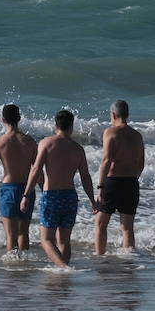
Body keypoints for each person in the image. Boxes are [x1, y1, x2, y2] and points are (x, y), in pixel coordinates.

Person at [20, 109, 96, 268]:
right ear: (71, 126)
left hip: (51, 196)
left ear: (55, 125)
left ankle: (64, 268)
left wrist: (26, 195)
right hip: (70, 197)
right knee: (64, 241)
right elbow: (85, 176)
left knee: (46, 239)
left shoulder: (46, 144)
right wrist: (92, 200)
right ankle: (63, 274)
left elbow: (36, 170)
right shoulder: (78, 149)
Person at [0, 104, 40, 258]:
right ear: (19, 118)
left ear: (3, 119)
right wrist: (45, 188)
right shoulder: (30, 141)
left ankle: (13, 265)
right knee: (23, 232)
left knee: (11, 235)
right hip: (27, 190)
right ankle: (24, 263)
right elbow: (37, 170)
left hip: (9, 190)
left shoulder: (0, 142)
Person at [93, 100, 145, 254]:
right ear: (127, 114)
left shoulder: (110, 132)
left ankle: (100, 257)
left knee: (101, 224)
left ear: (113, 115)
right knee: (127, 227)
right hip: (131, 183)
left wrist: (100, 186)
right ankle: (128, 260)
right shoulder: (137, 135)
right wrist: (133, 177)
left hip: (113, 182)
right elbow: (141, 163)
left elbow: (106, 160)